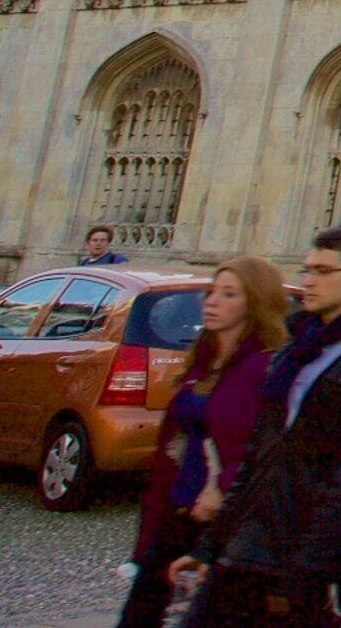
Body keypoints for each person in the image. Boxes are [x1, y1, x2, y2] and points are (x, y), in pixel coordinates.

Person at [172, 222, 341, 626]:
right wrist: (211, 546)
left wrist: (307, 573)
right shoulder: (298, 345)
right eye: (307, 270)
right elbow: (259, 455)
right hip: (250, 542)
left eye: (323, 272)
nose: (308, 282)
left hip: (308, 560)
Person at [117, 256, 282, 628]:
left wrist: (222, 489)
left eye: (228, 294)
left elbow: (263, 448)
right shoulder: (202, 361)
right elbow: (172, 445)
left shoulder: (263, 367)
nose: (212, 301)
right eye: (211, 292)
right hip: (177, 508)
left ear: (254, 302)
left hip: (219, 522)